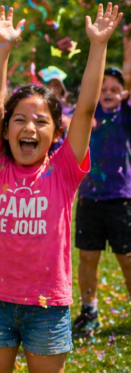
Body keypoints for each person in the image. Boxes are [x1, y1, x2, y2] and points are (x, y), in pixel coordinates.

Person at [0, 4, 123, 373]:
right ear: (7, 130)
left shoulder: (64, 169)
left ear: (57, 133)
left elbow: (86, 110)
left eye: (41, 121)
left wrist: (98, 46)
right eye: (19, 119)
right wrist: (3, 47)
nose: (28, 127)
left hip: (48, 307)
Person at [73, 35, 131, 336]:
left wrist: (126, 46)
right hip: (89, 199)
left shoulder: (126, 115)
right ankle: (89, 311)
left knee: (127, 257)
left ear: (123, 92)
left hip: (121, 198)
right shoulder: (87, 115)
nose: (108, 93)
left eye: (114, 89)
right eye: (103, 88)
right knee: (87, 257)